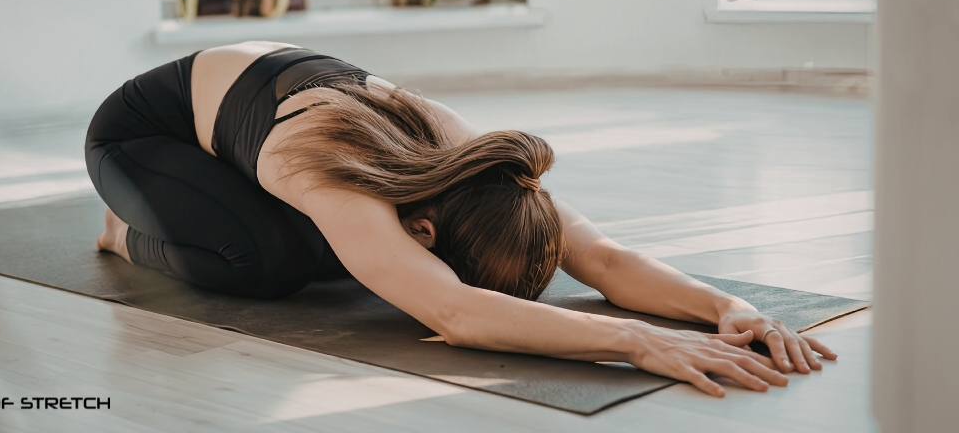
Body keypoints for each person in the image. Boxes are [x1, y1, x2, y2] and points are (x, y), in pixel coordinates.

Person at [86, 42, 836, 397]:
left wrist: (727, 308)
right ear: (427, 231)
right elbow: (456, 312)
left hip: (252, 127)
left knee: (346, 257)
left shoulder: (478, 164)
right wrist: (635, 340)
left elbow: (603, 259)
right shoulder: (328, 168)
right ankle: (124, 231)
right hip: (141, 139)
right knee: (273, 263)